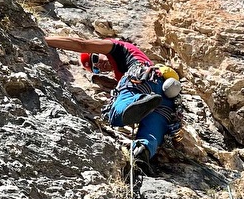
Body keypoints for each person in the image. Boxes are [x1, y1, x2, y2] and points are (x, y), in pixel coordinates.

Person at [44, 33, 180, 172]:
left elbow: (81, 44)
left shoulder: (119, 47)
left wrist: (43, 39)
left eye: (95, 58)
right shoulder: (122, 70)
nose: (99, 65)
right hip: (166, 95)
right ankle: (142, 152)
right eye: (95, 68)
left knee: (115, 115)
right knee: (153, 130)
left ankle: (139, 100)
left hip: (142, 78)